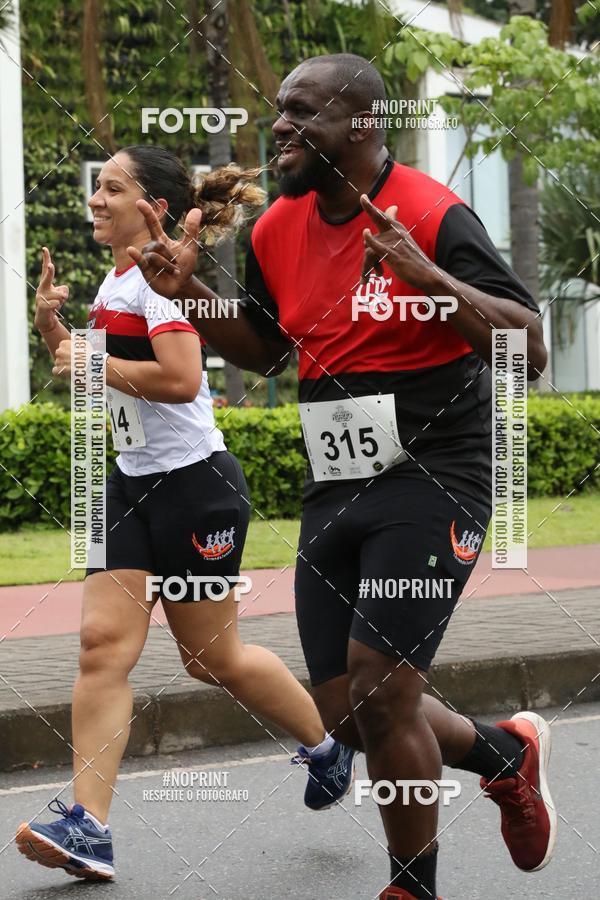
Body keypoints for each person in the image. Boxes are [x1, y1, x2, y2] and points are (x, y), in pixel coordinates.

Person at [131, 55, 556, 900]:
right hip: (336, 479)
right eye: (278, 112)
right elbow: (269, 345)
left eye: (301, 113)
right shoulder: (274, 228)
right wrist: (195, 303)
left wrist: (430, 280)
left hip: (437, 470)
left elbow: (527, 350)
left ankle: (411, 886)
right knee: (347, 714)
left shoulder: (433, 213)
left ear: (360, 124)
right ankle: (505, 753)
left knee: (382, 689)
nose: (280, 127)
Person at [15, 145, 355, 882]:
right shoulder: (118, 278)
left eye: (112, 188)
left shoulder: (160, 284)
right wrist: (53, 329)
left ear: (155, 209)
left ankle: (327, 748)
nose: (95, 199)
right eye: (95, 188)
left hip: (198, 489)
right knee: (101, 646)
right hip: (133, 486)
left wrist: (90, 360)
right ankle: (90, 828)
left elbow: (178, 378)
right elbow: (102, 377)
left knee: (211, 660)